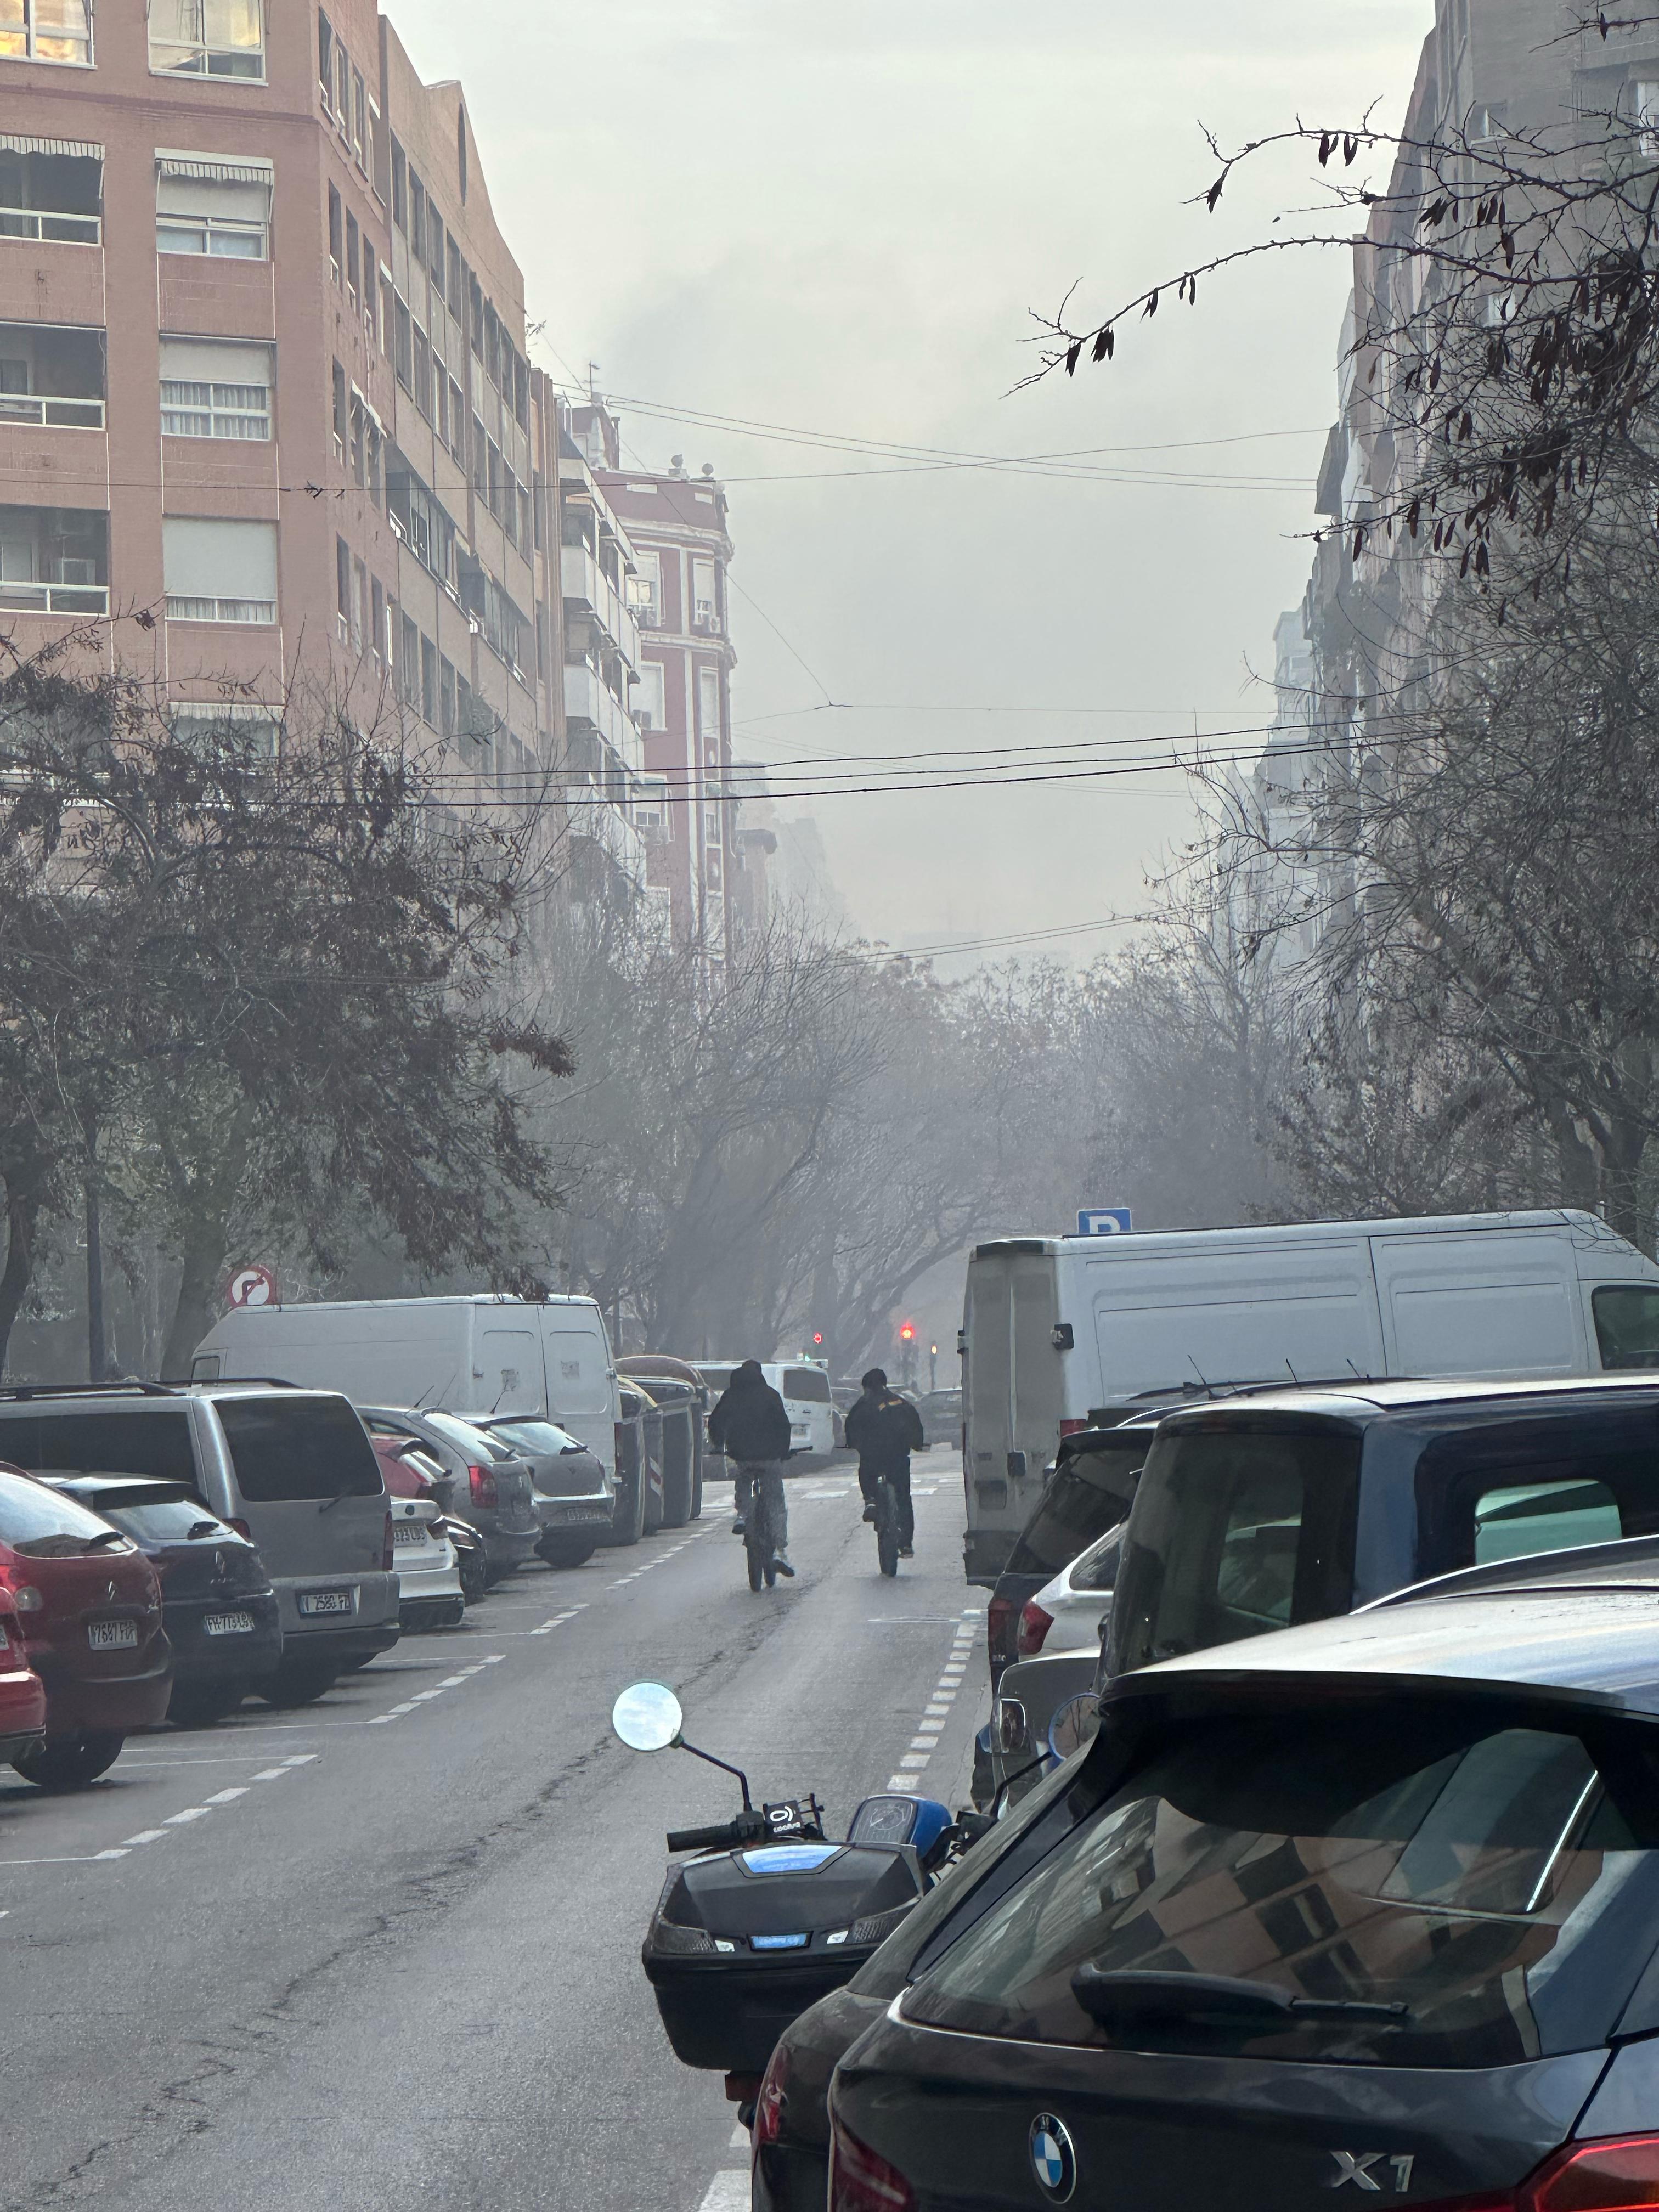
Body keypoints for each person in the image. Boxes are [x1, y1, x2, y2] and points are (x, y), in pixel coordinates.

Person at [706, 1359, 794, 1577]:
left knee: (744, 1479)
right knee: (775, 1501)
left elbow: (715, 1421)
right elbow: (783, 1425)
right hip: (770, 1457)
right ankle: (779, 1550)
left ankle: (743, 1515)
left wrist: (718, 1445)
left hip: (742, 1455)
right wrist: (784, 1451)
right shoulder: (771, 1395)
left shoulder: (731, 1396)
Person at [844, 1368, 924, 1556]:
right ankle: (906, 1544)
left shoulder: (864, 1404)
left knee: (865, 1470)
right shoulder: (902, 1403)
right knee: (903, 1497)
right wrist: (917, 1445)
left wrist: (854, 1445)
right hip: (898, 1458)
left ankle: (870, 1500)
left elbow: (851, 1426)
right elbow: (916, 1427)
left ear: (868, 1388)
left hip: (874, 1458)